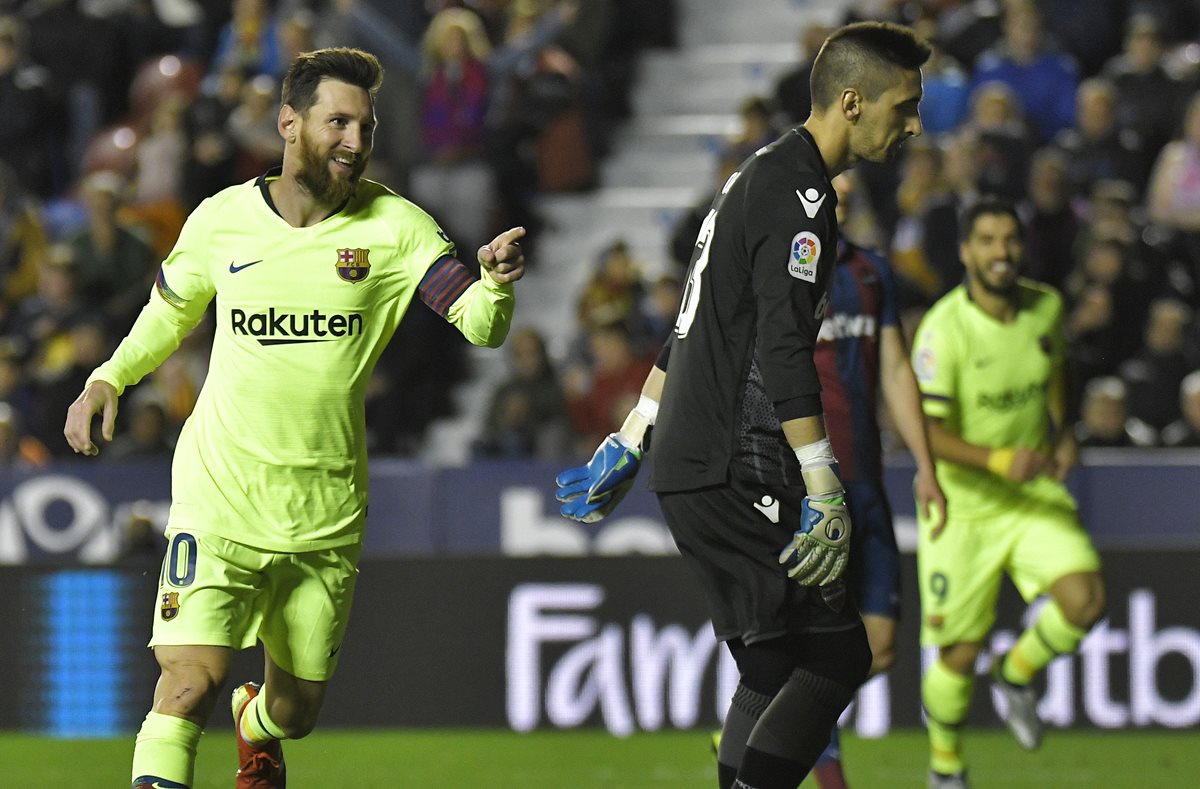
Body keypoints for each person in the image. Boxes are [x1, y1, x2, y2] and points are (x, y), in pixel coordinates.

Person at [63, 47, 526, 789]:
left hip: (324, 512)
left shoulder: (396, 227)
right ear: (289, 123)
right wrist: (109, 376)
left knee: (296, 707)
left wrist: (496, 286)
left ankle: (259, 727)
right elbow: (170, 312)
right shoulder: (222, 220)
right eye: (337, 121)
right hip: (220, 496)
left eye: (365, 126)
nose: (353, 140)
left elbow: (476, 321)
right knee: (186, 683)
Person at [557, 22, 929, 789]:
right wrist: (822, 481)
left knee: (772, 660)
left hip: (692, 460)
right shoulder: (801, 197)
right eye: (905, 104)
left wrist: (632, 434)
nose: (915, 123)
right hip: (736, 459)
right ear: (852, 102)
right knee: (837, 655)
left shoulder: (753, 177)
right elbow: (784, 348)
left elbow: (694, 324)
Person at [911, 198, 1106, 789]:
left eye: (1009, 241)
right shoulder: (943, 331)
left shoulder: (1044, 308)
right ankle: (946, 771)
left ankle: (1016, 675)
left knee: (1085, 601)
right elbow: (927, 432)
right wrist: (998, 459)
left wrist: (1065, 431)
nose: (1001, 252)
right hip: (963, 507)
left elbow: (1058, 370)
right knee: (958, 658)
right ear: (966, 252)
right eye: (988, 241)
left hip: (1029, 497)